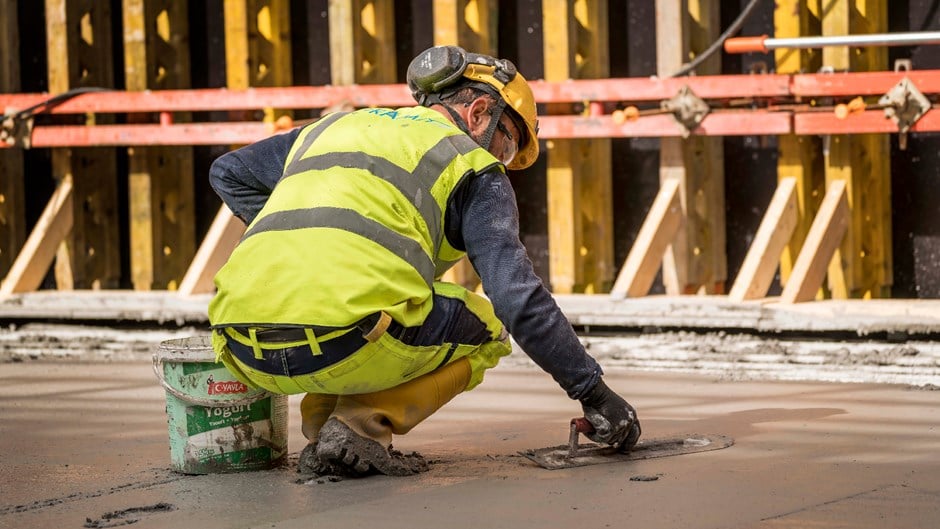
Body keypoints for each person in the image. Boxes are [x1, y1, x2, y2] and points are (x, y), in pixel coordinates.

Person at [207, 45, 641, 477]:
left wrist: (296, 233)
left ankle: (325, 436)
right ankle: (357, 426)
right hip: (344, 342)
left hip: (239, 348)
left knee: (369, 307)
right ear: (479, 112)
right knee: (488, 328)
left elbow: (227, 171)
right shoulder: (472, 166)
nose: (502, 162)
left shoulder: (335, 126)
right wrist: (594, 393)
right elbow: (516, 297)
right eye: (507, 145)